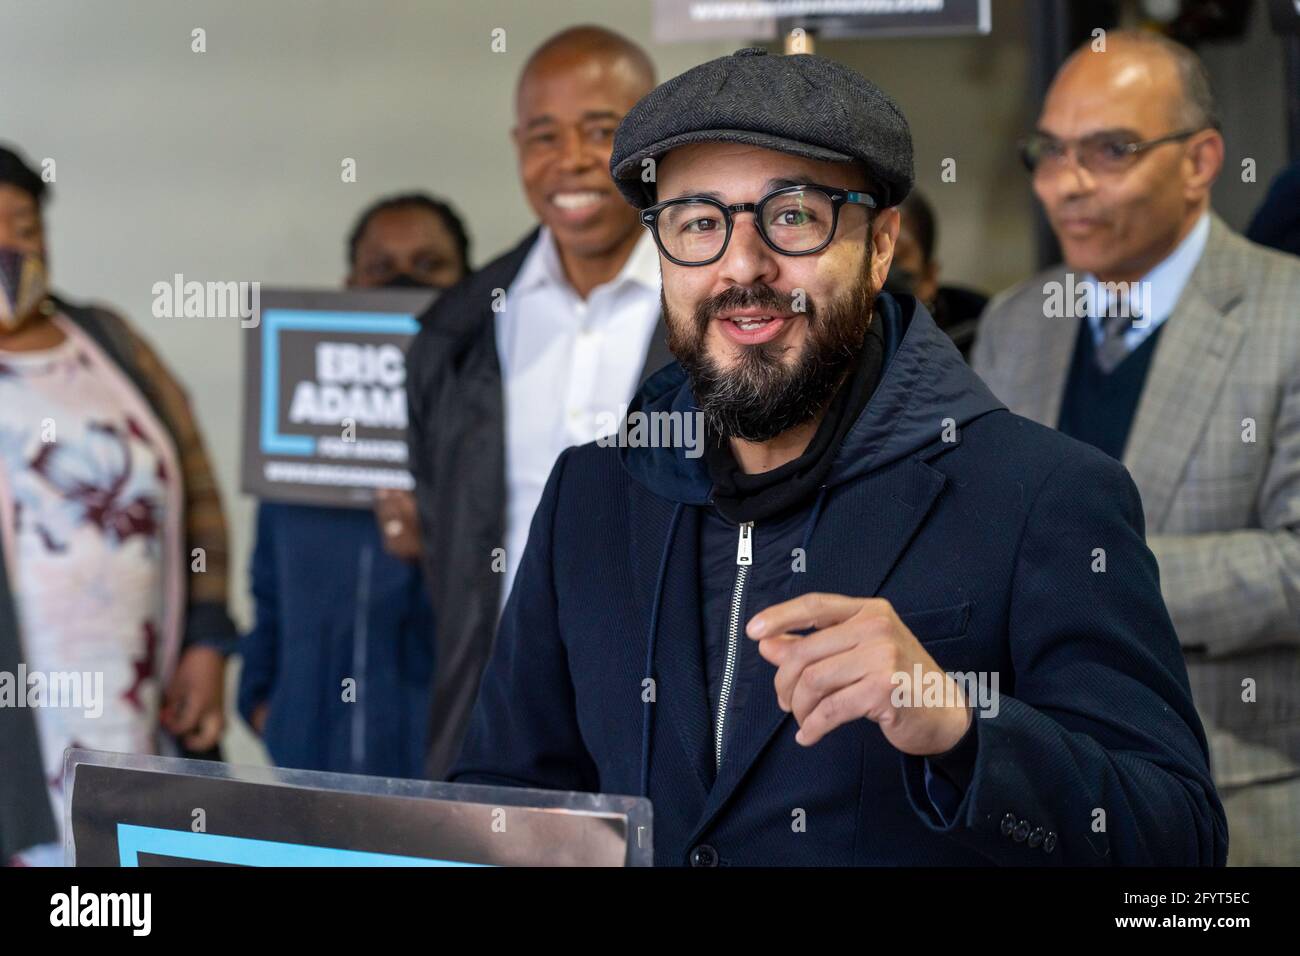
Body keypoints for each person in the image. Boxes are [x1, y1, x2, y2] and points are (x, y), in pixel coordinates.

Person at [447, 48, 1227, 866]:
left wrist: (959, 725)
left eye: (792, 216)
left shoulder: (1045, 495)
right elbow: (508, 797)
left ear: (881, 246)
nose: (743, 267)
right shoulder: (592, 495)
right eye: (698, 223)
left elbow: (1177, 842)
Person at [972, 31, 1300, 865]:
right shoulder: (1017, 324)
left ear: (1201, 161)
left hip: (1236, 796)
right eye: (1049, 153)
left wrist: (1096, 580)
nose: (1068, 184)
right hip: (1033, 795)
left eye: (1110, 150)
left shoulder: (1287, 315)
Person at [406, 26, 674, 780]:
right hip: (498, 727)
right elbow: (445, 545)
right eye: (544, 135)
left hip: (668, 727)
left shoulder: (719, 307)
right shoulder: (456, 331)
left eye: (602, 131)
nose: (572, 161)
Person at [0, 143, 237, 864]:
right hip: (23, 701)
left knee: (136, 858)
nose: (9, 246)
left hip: (139, 687)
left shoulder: (110, 340)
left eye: (24, 225)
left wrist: (207, 637)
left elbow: (196, 489)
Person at [237, 192, 468, 777]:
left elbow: (520, 611)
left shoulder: (496, 427)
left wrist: (434, 549)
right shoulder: (294, 427)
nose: (401, 281)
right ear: (350, 283)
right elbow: (268, 591)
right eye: (380, 267)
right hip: (308, 775)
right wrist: (265, 705)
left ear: (467, 286)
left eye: (427, 265)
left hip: (450, 781)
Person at [883, 190, 987, 358]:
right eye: (867, 252)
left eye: (892, 257)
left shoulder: (978, 345)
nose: (877, 269)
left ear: (928, 278)